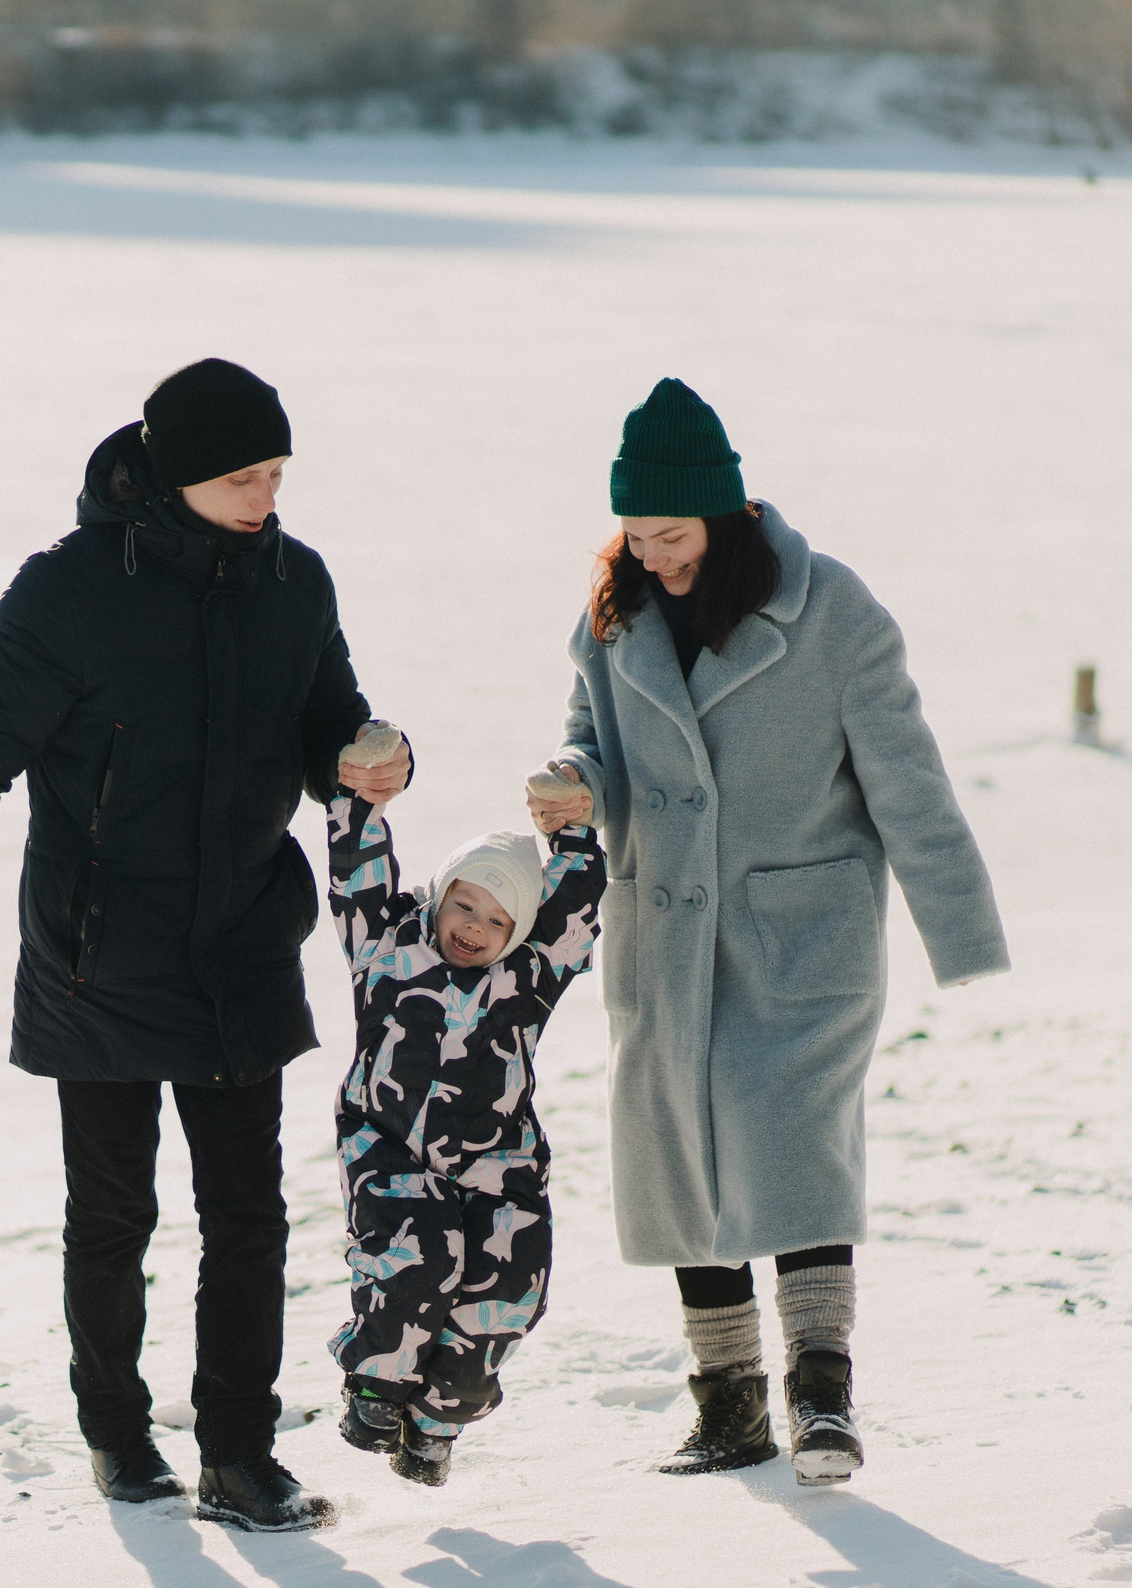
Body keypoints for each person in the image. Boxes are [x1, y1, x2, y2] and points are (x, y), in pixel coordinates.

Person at [0, 358, 410, 1533]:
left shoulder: (295, 580)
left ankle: (240, 1452)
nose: (263, 496)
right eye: (240, 475)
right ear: (176, 475)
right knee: (112, 1213)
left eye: (276, 473)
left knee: (250, 1211)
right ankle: (119, 1437)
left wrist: (367, 757)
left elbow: (326, 719)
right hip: (100, 948)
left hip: (239, 937)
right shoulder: (70, 590)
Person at [538, 379, 1008, 1485]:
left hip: (799, 934)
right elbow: (590, 739)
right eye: (635, 534)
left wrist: (962, 938)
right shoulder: (615, 616)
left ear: (728, 513)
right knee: (679, 1163)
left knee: (790, 1142)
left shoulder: (831, 611)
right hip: (663, 934)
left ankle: (821, 1397)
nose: (652, 555)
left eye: (671, 533)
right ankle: (728, 1407)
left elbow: (909, 783)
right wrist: (574, 778)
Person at [321, 723, 605, 1487]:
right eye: (464, 905)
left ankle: (440, 1420)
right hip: (387, 1149)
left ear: (517, 932)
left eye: (496, 919)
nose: (473, 927)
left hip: (498, 1164)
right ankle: (378, 1386)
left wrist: (573, 832)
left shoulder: (529, 979)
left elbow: (575, 909)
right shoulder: (386, 947)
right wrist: (359, 800)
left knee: (509, 1291)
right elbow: (357, 874)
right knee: (419, 1260)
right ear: (443, 895)